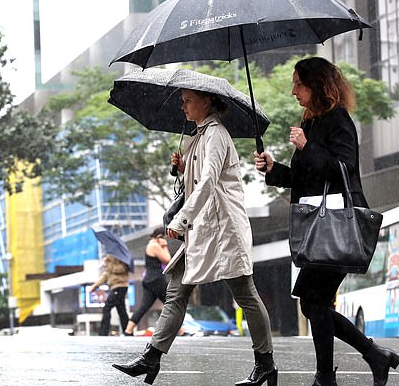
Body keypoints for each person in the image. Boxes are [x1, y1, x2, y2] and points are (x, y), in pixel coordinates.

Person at [113, 88, 277, 386]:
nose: (182, 106)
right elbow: (194, 182)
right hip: (202, 231)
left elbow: (209, 182)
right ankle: (151, 358)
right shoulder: (197, 136)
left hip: (223, 229)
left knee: (245, 294)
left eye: (187, 100)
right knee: (176, 290)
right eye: (182, 100)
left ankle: (266, 364)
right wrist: (180, 169)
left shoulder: (215, 134)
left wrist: (181, 219)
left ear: (207, 101)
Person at [253, 57, 399, 386]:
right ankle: (372, 357)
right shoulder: (310, 121)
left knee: (314, 301)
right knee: (313, 302)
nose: (293, 91)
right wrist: (273, 169)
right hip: (319, 228)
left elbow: (345, 170)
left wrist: (307, 148)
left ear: (316, 85)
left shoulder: (338, 120)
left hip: (337, 226)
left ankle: (329, 374)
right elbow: (306, 178)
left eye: (298, 84)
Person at [124, 227, 171, 336]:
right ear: (160, 236)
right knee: (171, 303)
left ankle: (128, 330)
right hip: (156, 279)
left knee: (143, 307)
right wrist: (164, 246)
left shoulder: (150, 244)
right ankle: (179, 330)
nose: (166, 239)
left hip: (149, 280)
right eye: (165, 237)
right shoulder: (154, 245)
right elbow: (167, 260)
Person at [89, 254, 130, 336]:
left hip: (120, 286)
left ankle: (103, 332)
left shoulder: (121, 257)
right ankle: (128, 331)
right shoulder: (110, 259)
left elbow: (121, 269)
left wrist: (108, 263)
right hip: (114, 287)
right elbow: (105, 276)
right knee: (122, 310)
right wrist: (94, 286)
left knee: (107, 307)